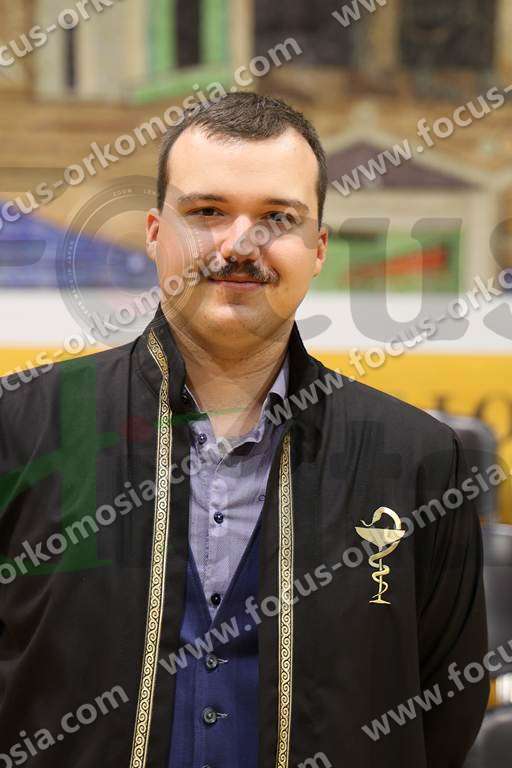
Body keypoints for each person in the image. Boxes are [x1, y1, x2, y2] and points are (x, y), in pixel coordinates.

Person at [0, 92, 488, 768]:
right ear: (154, 232)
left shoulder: (419, 461)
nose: (238, 245)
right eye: (207, 212)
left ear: (318, 247)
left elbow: (444, 713)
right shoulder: (22, 429)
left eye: (277, 218)